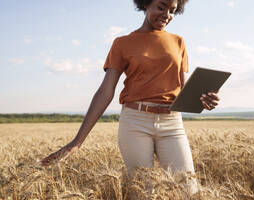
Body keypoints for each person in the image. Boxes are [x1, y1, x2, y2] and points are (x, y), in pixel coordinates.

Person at [41, 0, 219, 196]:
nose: (167, 15)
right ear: (145, 4)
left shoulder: (179, 42)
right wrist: (77, 141)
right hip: (135, 123)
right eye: (161, 7)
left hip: (172, 123)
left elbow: (182, 87)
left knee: (189, 190)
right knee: (143, 192)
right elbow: (105, 92)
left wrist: (204, 100)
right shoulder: (122, 43)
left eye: (173, 11)